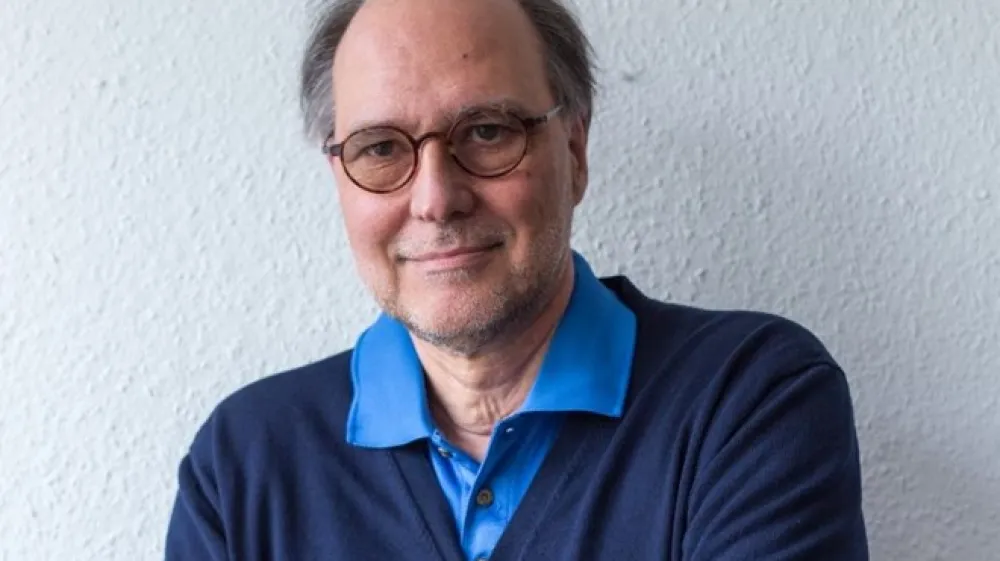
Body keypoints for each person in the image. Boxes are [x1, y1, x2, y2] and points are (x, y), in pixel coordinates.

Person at [164, 0, 870, 559]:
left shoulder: (747, 400)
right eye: (380, 148)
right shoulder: (243, 466)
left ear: (575, 151)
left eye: (487, 132)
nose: (436, 199)